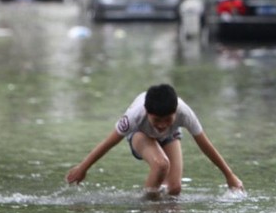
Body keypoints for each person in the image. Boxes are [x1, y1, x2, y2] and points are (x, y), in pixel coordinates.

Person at [66, 83, 243, 197]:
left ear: (175, 112)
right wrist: (83, 168)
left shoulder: (184, 112)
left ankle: (156, 200)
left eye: (168, 119)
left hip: (171, 137)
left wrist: (229, 175)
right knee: (161, 164)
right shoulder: (134, 115)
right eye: (156, 120)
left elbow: (205, 145)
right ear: (147, 112)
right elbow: (108, 143)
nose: (162, 124)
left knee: (174, 189)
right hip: (139, 135)